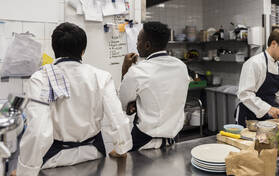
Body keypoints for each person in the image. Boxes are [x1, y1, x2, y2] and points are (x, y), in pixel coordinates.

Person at [13, 22, 132, 176]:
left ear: (54, 49)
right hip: (94, 154)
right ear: (83, 51)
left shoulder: (41, 78)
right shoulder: (101, 76)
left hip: (54, 160)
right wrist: (122, 147)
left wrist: (25, 171)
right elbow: (117, 117)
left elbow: (38, 130)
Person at [119, 21, 189, 151]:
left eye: (138, 40)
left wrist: (125, 70)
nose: (136, 43)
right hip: (172, 141)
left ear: (147, 45)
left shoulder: (138, 71)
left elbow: (123, 103)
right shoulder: (181, 67)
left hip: (143, 142)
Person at [235, 29, 279, 126]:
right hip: (248, 117)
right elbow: (245, 94)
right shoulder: (254, 63)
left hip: (268, 118)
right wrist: (268, 108)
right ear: (273, 44)